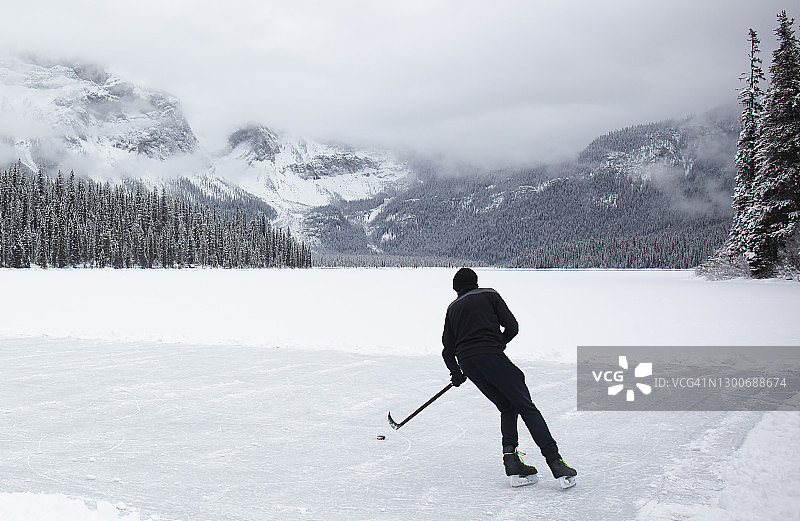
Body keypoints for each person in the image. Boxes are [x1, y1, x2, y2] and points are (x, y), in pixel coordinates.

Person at [441, 267, 577, 488]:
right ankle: (556, 462)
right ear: (475, 282)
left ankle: (511, 461)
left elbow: (448, 351)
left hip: (468, 362)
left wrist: (457, 373)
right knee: (526, 406)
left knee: (507, 407)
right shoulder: (489, 294)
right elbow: (512, 327)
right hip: (490, 355)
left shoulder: (452, 308)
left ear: (455, 288)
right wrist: (495, 345)